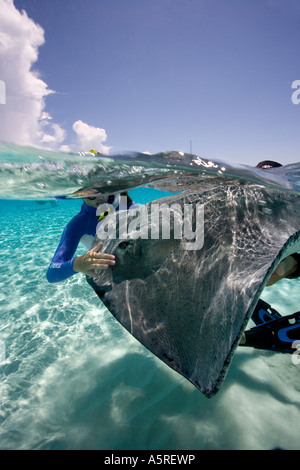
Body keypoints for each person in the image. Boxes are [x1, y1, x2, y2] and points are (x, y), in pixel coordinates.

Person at [46, 192, 138, 283]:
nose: (101, 196)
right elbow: (52, 273)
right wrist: (77, 264)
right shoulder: (79, 223)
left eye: (104, 189)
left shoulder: (121, 200)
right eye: (93, 194)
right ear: (80, 194)